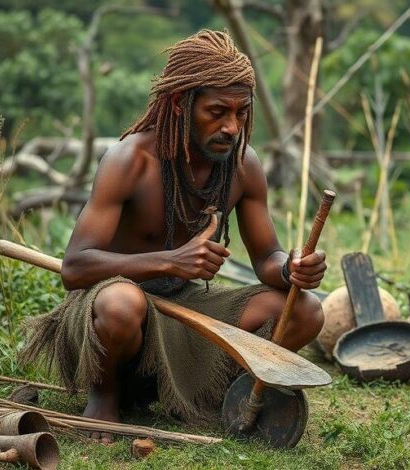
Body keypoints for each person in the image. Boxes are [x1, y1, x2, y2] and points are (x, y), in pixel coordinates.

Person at [20, 30, 326, 441]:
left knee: (306, 311)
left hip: (185, 307)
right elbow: (75, 269)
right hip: (111, 310)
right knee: (121, 303)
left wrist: (291, 270)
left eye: (241, 113)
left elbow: (266, 256)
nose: (231, 127)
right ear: (181, 103)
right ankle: (105, 396)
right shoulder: (129, 160)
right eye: (217, 111)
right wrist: (170, 261)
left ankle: (213, 394)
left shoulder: (242, 167)